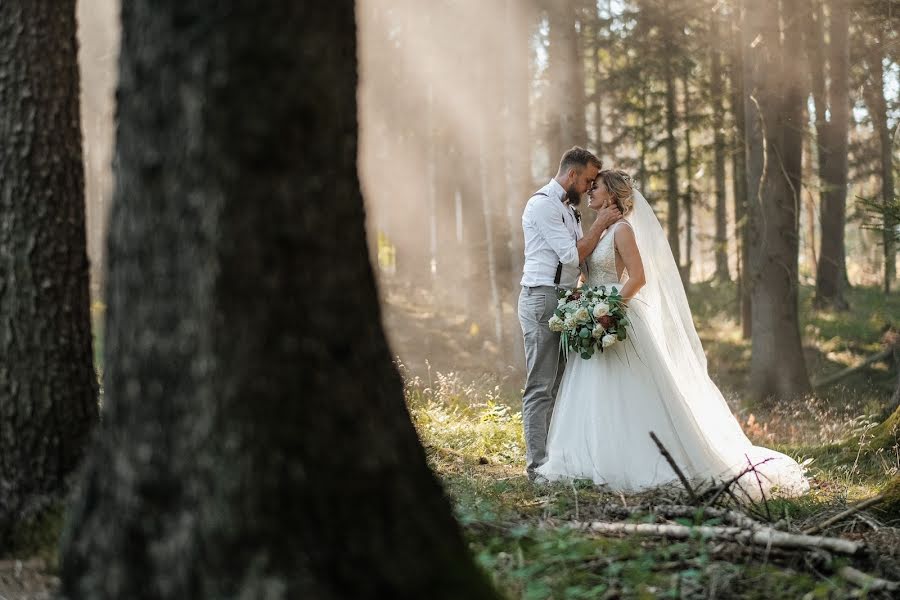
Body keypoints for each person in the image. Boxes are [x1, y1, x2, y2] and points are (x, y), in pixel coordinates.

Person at [535, 170, 809, 499]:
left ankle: (636, 461)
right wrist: (580, 299)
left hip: (615, 315)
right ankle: (588, 461)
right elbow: (587, 273)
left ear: (611, 196)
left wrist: (610, 310)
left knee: (627, 393)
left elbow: (637, 278)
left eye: (596, 188)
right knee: (591, 391)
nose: (589, 191)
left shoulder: (622, 230)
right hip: (591, 313)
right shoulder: (596, 232)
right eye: (589, 186)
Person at [518, 147, 621, 482]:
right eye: (588, 180)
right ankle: (537, 469)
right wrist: (602, 222)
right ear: (572, 174)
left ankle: (556, 462)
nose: (590, 188)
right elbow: (572, 255)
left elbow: (584, 259)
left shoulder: (571, 210)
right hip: (541, 298)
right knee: (541, 385)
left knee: (562, 383)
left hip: (565, 299)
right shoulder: (543, 204)